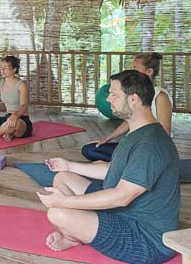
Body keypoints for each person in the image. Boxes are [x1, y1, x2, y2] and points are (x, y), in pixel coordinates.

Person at [37, 70, 180, 264]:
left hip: (145, 240)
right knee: (63, 177)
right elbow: (114, 169)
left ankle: (73, 235)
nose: (108, 98)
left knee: (57, 213)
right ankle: (75, 234)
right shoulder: (138, 131)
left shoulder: (151, 143)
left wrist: (63, 202)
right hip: (122, 212)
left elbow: (123, 196)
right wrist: (69, 165)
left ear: (133, 99)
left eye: (114, 94)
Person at [82, 52, 173, 162]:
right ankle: (123, 162)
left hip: (150, 148)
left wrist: (143, 145)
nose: (133, 72)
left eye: (136, 68)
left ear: (149, 72)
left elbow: (165, 132)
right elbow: (129, 120)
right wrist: (106, 139)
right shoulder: (135, 93)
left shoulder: (161, 96)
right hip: (132, 143)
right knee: (90, 150)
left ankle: (124, 163)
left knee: (129, 157)